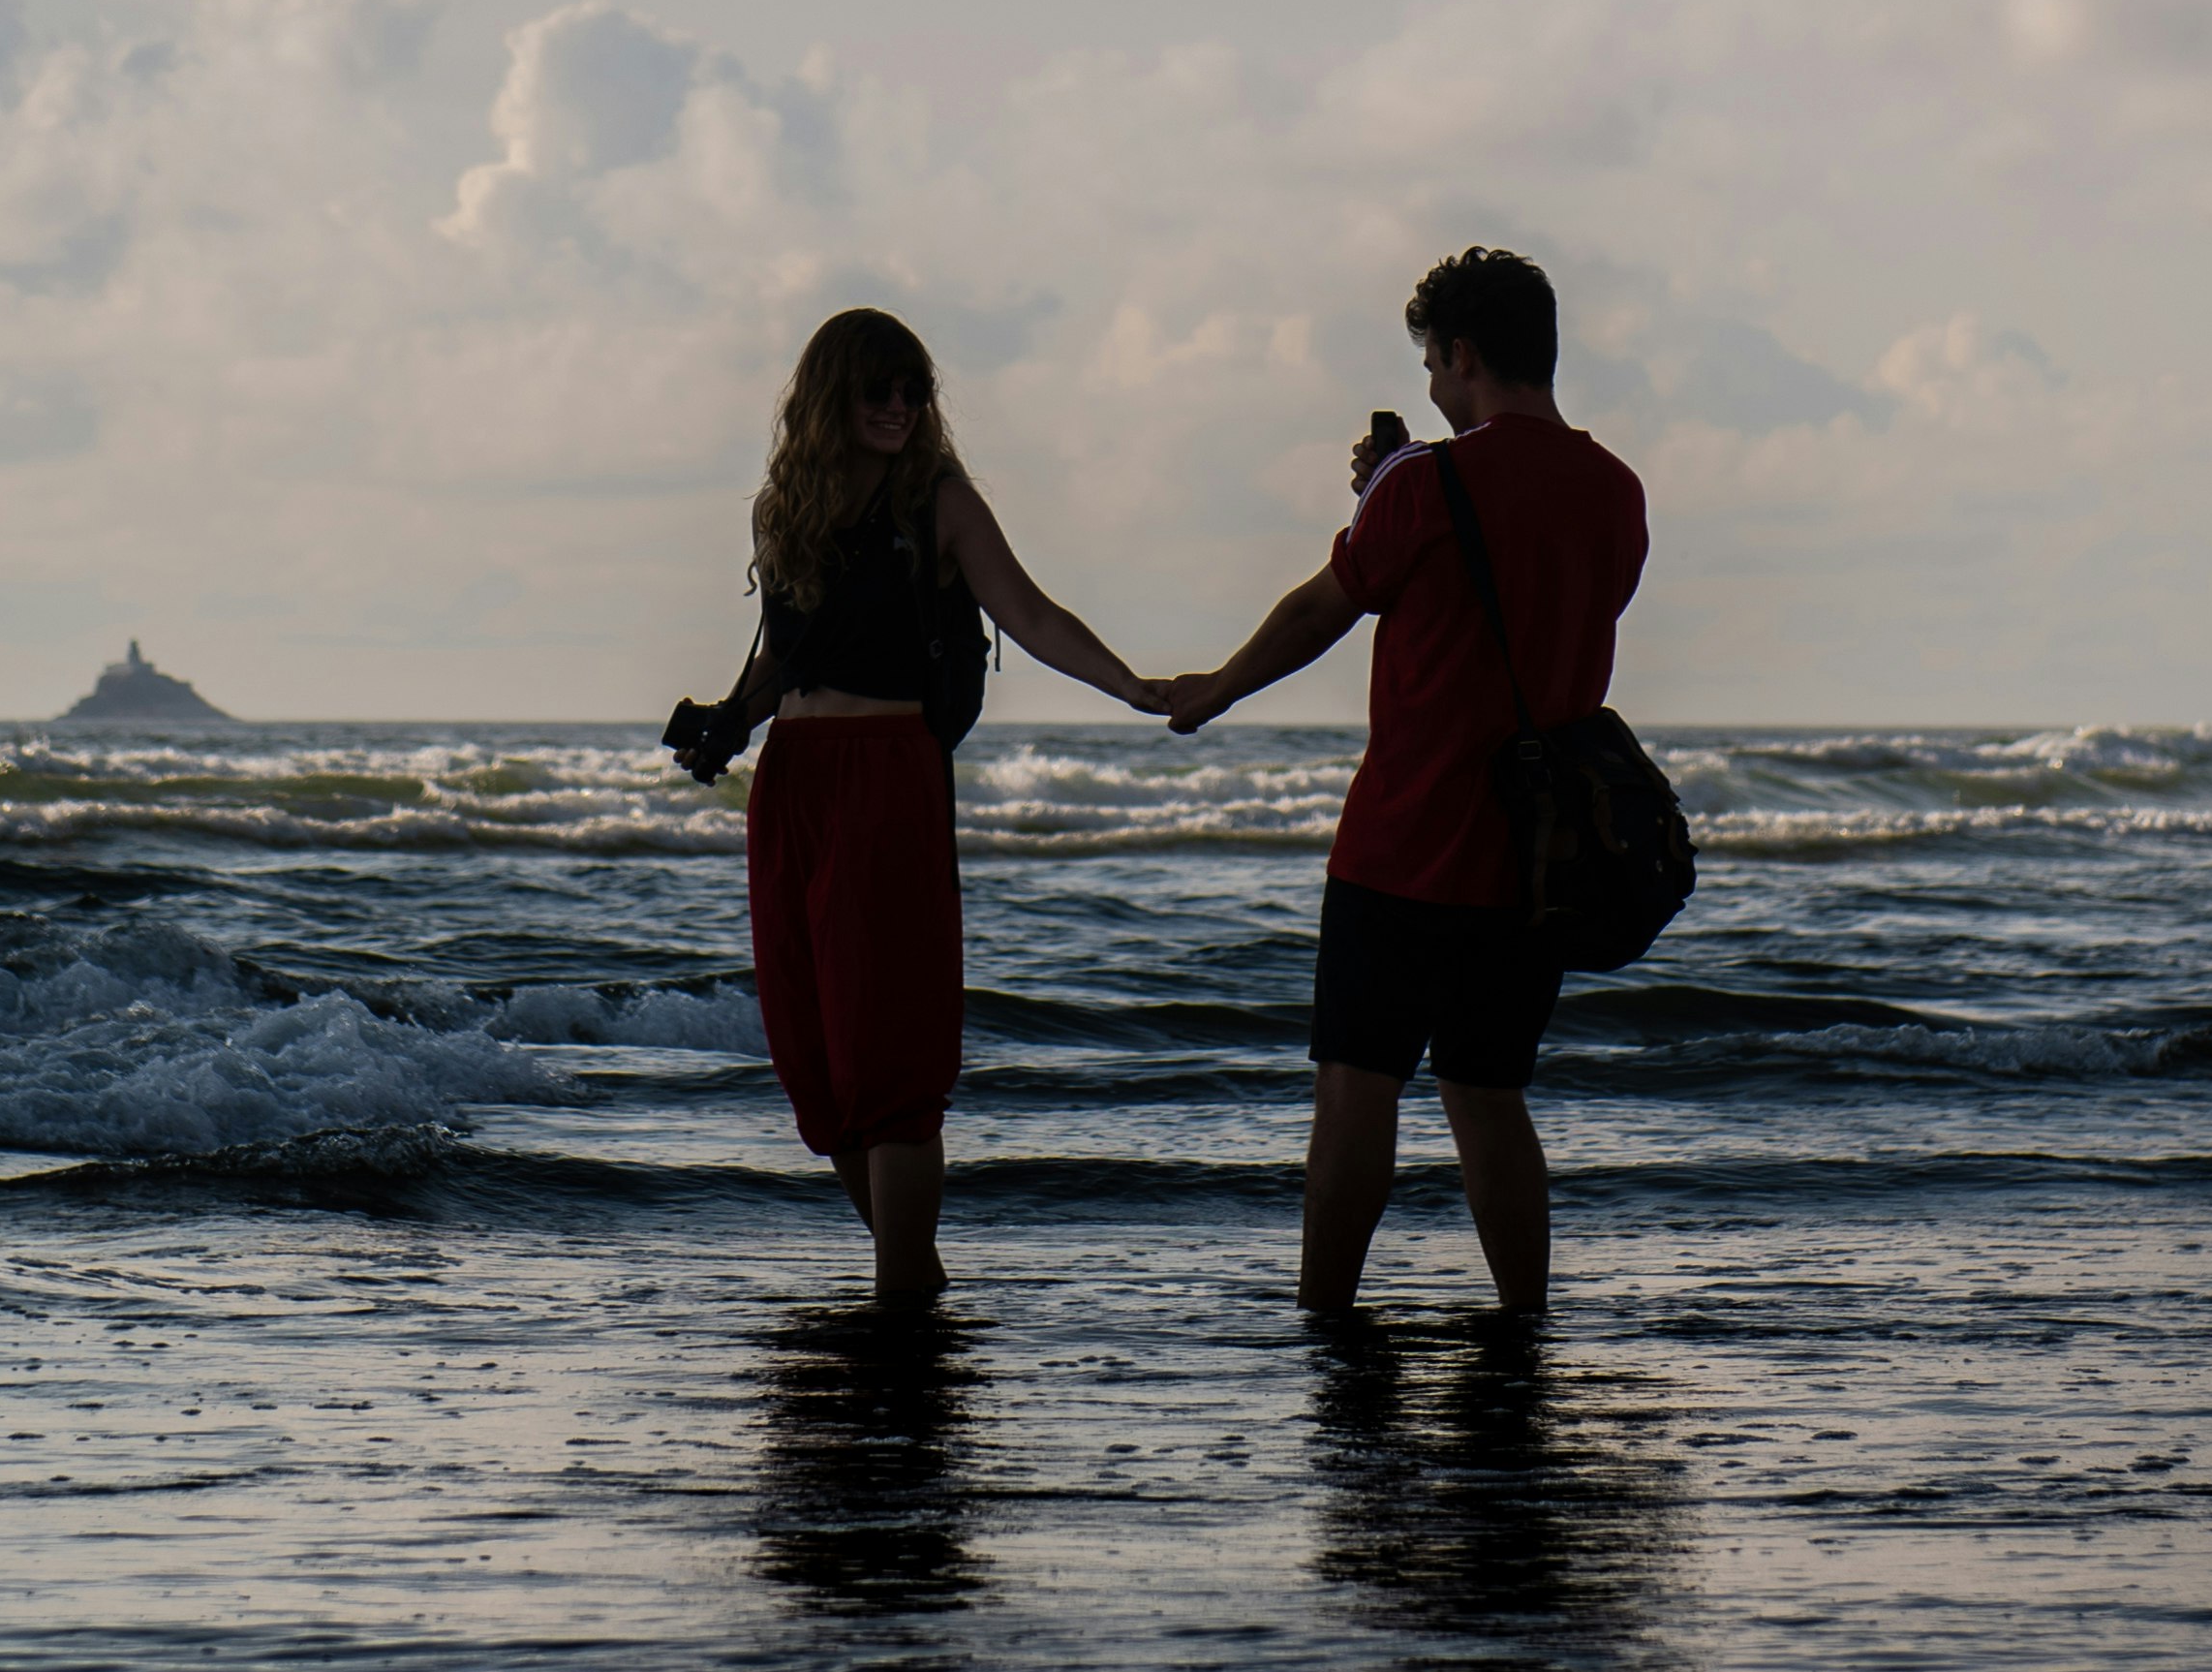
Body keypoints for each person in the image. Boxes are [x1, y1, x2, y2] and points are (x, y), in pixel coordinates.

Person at [1143, 249, 1647, 1315]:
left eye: (1431, 361)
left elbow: (1317, 609)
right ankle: (1523, 1325)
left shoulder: (1424, 483)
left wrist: (1216, 688)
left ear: (1463, 354)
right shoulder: (1616, 491)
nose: (1428, 384)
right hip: (1531, 862)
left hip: (1403, 844)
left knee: (1355, 1091)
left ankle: (1326, 1322)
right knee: (1490, 1094)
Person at [670, 308, 1151, 1303]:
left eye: (911, 390)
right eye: (875, 389)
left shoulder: (939, 501)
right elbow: (785, 655)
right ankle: (915, 1285)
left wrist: (1139, 688)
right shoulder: (783, 506)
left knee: (889, 1054)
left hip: (889, 774)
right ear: (829, 395)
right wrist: (730, 719)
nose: (896, 406)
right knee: (814, 1056)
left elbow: (1030, 613)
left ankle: (902, 1304)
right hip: (791, 778)